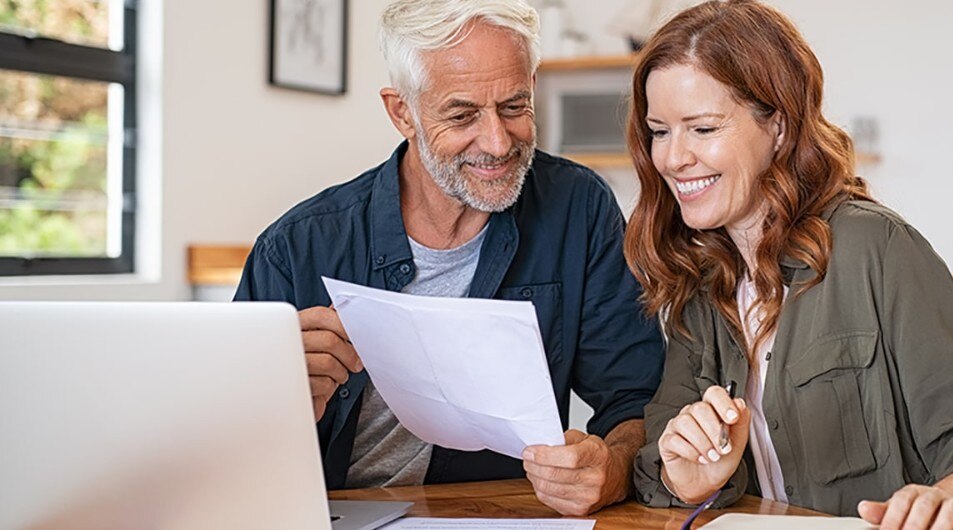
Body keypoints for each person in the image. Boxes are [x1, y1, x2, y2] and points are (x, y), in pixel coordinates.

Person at [234, 0, 664, 516]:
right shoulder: (296, 246)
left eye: (514, 106)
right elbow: (220, 444)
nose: (498, 142)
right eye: (462, 115)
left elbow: (636, 397)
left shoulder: (578, 208)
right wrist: (278, 401)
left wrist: (611, 468)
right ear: (402, 112)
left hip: (489, 515)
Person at [623, 1, 953, 528]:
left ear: (777, 124)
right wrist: (688, 476)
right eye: (660, 131)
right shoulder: (702, 275)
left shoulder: (878, 247)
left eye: (702, 129)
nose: (673, 158)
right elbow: (658, 451)